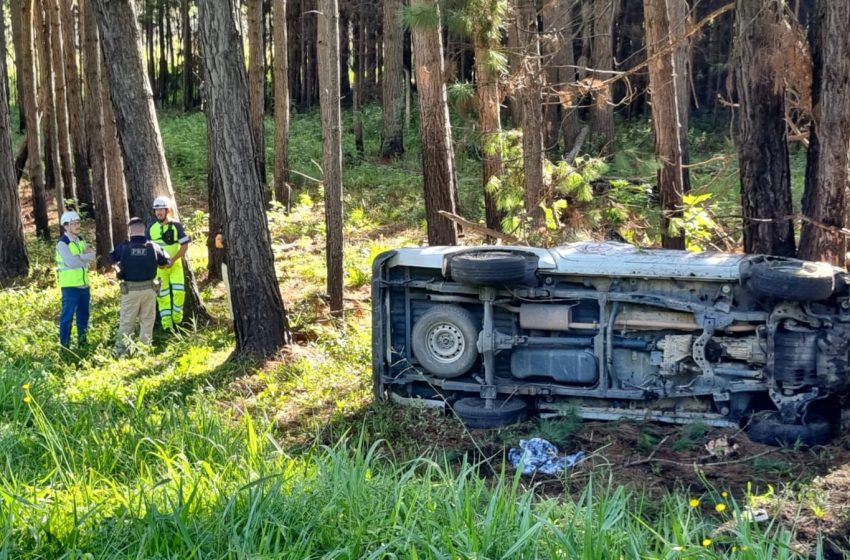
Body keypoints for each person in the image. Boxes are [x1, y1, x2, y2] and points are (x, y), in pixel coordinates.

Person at [109, 217, 171, 356]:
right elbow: (166, 261)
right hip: (149, 289)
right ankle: (144, 351)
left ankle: (120, 351)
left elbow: (111, 259)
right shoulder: (153, 246)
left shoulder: (124, 246)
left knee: (126, 321)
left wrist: (119, 269)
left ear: (130, 231)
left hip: (130, 290)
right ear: (144, 230)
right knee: (147, 321)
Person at [147, 196, 190, 330]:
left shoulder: (176, 225)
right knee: (162, 296)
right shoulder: (150, 228)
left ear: (168, 210)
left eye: (161, 209)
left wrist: (173, 260)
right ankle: (167, 327)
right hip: (159, 269)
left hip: (175, 266)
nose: (158, 212)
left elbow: (184, 246)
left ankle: (177, 321)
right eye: (156, 210)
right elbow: (148, 249)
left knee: (179, 292)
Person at [56, 210, 96, 348]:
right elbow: (71, 263)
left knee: (83, 316)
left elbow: (93, 255)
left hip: (84, 286)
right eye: (74, 224)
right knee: (67, 318)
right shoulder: (62, 243)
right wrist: (84, 258)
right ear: (66, 226)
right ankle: (64, 346)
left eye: (78, 222)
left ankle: (83, 343)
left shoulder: (80, 240)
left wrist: (80, 258)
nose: (78, 226)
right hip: (70, 287)